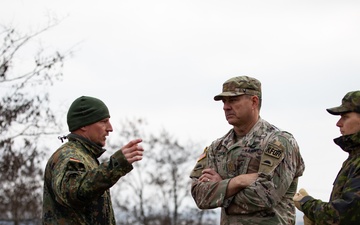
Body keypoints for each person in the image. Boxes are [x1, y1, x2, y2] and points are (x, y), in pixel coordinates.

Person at [190, 76, 305, 225]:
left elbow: (265, 196)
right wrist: (237, 182)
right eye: (224, 102)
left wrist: (221, 191)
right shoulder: (217, 147)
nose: (226, 107)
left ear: (254, 101)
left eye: (233, 100)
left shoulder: (279, 142)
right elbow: (200, 196)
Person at [42, 96, 144, 224]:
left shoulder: (85, 156)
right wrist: (116, 165)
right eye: (103, 121)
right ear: (84, 125)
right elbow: (74, 192)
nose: (110, 128)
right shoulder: (68, 156)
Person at [293, 90, 360, 225]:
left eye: (345, 117)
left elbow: (343, 215)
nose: (338, 123)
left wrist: (306, 203)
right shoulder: (354, 158)